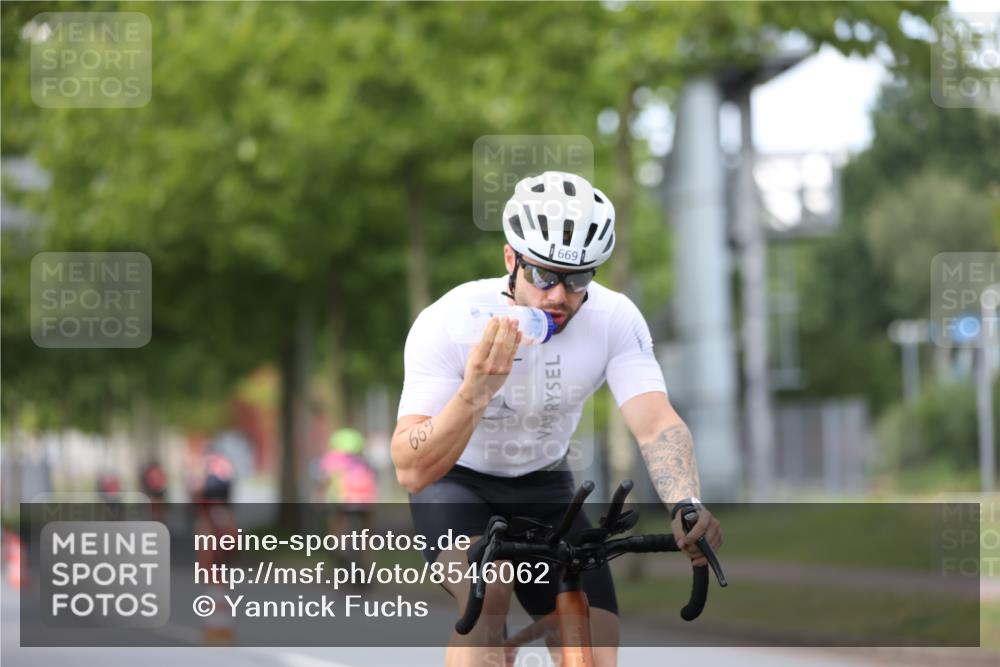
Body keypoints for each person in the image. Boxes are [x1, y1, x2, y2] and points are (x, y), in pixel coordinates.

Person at [391, 171, 723, 667]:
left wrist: (686, 502)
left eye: (578, 279)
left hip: (547, 487)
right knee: (492, 591)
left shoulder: (614, 319)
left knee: (595, 640)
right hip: (458, 485)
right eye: (543, 275)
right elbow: (411, 467)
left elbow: (655, 424)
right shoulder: (450, 321)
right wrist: (476, 391)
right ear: (511, 259)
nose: (558, 297)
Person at [316, 428, 378, 568]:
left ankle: (337, 548)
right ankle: (367, 559)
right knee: (367, 530)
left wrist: (319, 496)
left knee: (336, 521)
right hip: (365, 501)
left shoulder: (331, 459)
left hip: (341, 500)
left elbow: (324, 481)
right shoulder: (364, 460)